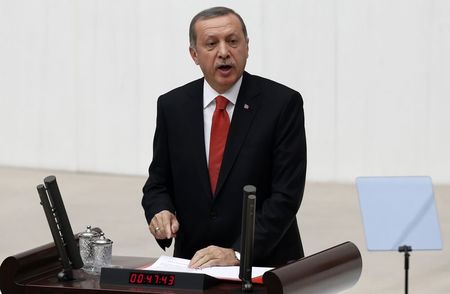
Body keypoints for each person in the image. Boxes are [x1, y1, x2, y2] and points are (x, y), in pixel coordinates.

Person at [142, 6, 307, 268]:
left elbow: (286, 196)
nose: (223, 52)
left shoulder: (282, 104)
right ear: (194, 54)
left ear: (247, 46)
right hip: (194, 263)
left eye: (232, 41)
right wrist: (159, 210)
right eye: (211, 44)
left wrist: (239, 253)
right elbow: (158, 183)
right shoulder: (172, 106)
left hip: (264, 264)